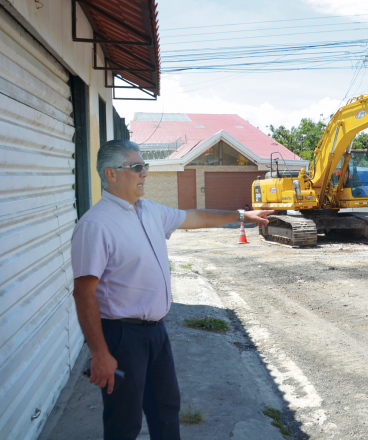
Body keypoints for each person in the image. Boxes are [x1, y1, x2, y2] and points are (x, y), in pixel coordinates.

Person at [70, 140, 274, 440]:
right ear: (111, 174)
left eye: (145, 166)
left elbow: (196, 217)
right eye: (137, 167)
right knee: (123, 422)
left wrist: (241, 215)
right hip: (121, 336)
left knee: (166, 410)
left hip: (156, 333)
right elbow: (83, 293)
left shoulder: (149, 211)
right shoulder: (96, 225)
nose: (145, 173)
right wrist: (99, 353)